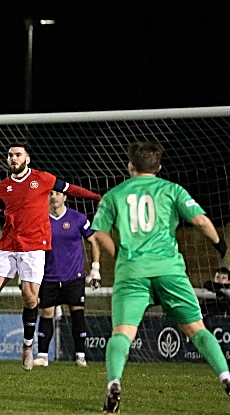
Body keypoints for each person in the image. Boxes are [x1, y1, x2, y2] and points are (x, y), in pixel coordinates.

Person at [92, 141, 229, 413]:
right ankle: (226, 377)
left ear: (131, 166)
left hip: (132, 271)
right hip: (169, 271)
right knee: (197, 330)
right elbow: (200, 221)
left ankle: (114, 383)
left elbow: (99, 232)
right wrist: (220, 246)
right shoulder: (172, 189)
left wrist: (119, 254)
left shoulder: (115, 194)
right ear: (159, 167)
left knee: (122, 334)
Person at [0, 141, 101, 372]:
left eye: (17, 155)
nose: (13, 158)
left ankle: (27, 345)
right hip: (8, 246)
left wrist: (96, 197)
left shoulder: (42, 179)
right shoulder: (2, 187)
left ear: (27, 159)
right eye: (10, 155)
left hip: (34, 248)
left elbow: (70, 188)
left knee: (30, 298)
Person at [32, 190, 101, 368]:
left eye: (57, 193)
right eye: (49, 194)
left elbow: (93, 242)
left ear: (65, 197)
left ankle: (80, 355)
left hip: (73, 277)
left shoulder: (78, 218)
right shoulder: (40, 220)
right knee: (47, 314)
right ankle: (42, 355)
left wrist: (95, 269)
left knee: (77, 314)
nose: (53, 197)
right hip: (49, 277)